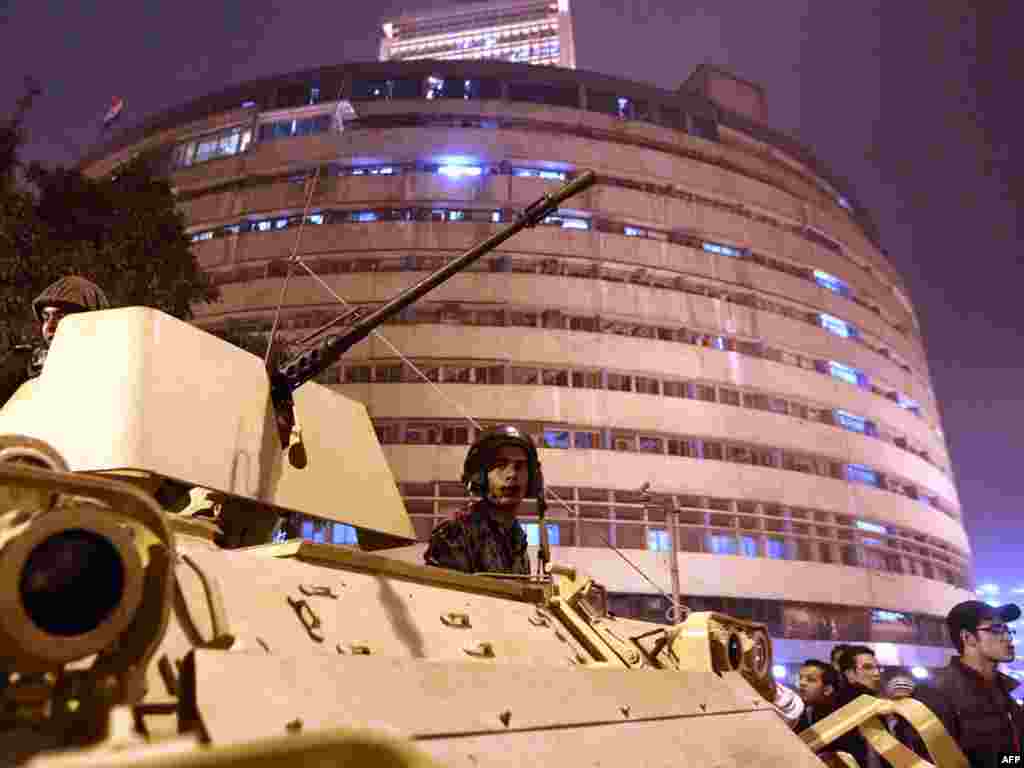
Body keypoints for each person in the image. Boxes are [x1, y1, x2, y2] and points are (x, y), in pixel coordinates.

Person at [896, 600, 1023, 768]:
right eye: (996, 630)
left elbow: (1009, 757)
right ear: (968, 638)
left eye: (1007, 629)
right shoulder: (935, 692)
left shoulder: (1010, 689)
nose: (1007, 637)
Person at [424, 425, 542, 575]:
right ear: (480, 476)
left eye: (519, 466)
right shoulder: (456, 531)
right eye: (501, 465)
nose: (512, 474)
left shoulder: (516, 536)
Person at [0, 276, 110, 407]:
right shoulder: (22, 365)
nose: (49, 327)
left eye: (61, 317)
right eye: (46, 317)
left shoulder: (111, 370)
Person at [831, 645, 888, 768]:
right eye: (868, 668)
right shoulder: (836, 708)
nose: (876, 673)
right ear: (850, 674)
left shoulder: (876, 705)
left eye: (878, 668)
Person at [796, 659, 839, 730]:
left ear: (827, 689)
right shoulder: (796, 712)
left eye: (810, 679)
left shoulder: (838, 717)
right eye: (800, 678)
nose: (802, 683)